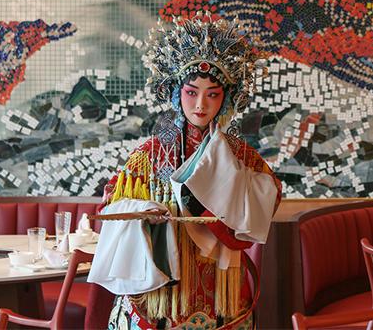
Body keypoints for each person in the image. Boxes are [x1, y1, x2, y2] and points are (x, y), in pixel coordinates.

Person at [88, 17, 281, 329]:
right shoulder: (149, 155)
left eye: (212, 94)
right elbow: (112, 207)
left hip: (222, 290)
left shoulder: (242, 156)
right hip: (162, 293)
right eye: (192, 92)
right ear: (176, 93)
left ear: (227, 97)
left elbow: (270, 196)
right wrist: (142, 214)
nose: (201, 104)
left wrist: (232, 202)